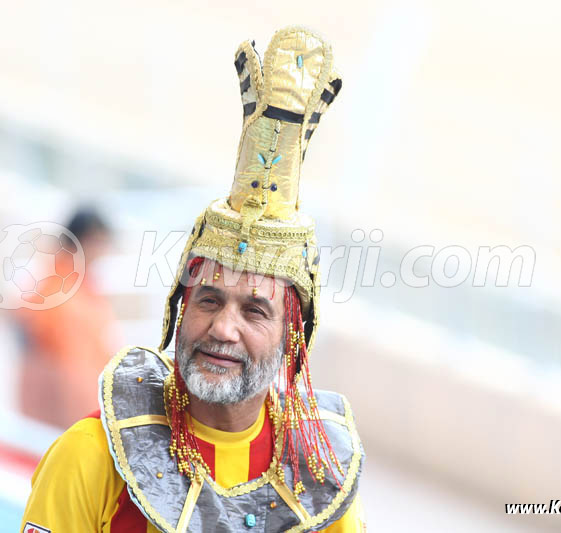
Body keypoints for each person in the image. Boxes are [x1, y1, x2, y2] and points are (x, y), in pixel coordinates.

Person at [21, 26, 365, 532]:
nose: (223, 328)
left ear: (292, 338)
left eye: (254, 310)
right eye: (209, 300)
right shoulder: (90, 458)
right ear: (179, 309)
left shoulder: (321, 486)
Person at [17, 207, 120, 428]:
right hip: (62, 410)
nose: (103, 251)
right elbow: (67, 369)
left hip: (72, 405)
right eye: (100, 243)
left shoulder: (75, 283)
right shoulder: (62, 294)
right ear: (86, 241)